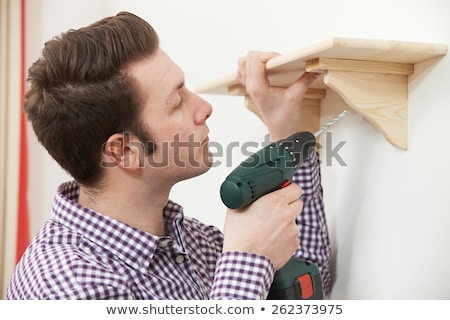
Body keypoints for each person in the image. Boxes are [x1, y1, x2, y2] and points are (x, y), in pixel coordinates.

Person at [7, 11, 331, 299]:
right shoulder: (63, 285)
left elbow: (305, 283)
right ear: (126, 152)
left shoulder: (194, 242)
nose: (204, 108)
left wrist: (285, 132)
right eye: (177, 102)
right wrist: (247, 258)